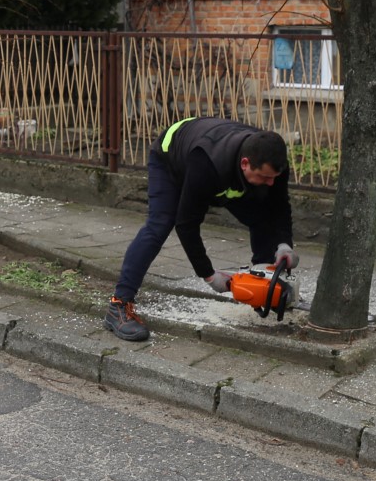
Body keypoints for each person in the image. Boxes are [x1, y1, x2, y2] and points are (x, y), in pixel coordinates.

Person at [105, 116, 296, 341]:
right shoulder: (207, 164)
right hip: (172, 157)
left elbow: (279, 206)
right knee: (160, 224)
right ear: (245, 163)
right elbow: (186, 224)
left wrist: (284, 244)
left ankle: (262, 288)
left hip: (222, 168)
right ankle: (119, 305)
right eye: (265, 177)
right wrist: (208, 275)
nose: (271, 182)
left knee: (262, 216)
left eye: (273, 177)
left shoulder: (272, 162)